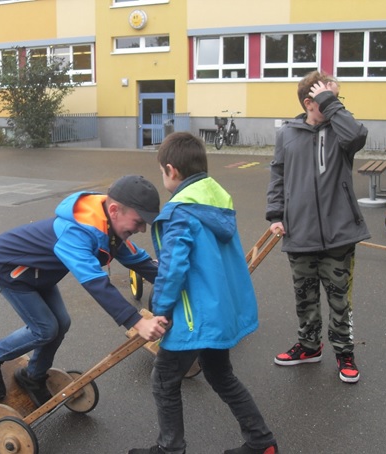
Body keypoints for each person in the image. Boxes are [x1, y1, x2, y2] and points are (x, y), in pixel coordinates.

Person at [130, 132, 278, 454]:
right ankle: (261, 441)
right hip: (216, 310)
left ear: (171, 170)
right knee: (220, 374)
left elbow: (172, 269)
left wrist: (161, 309)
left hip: (195, 316)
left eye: (161, 172)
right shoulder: (215, 200)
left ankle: (171, 448)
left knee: (164, 380)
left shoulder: (181, 212)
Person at [0, 175, 168, 407]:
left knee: (61, 323)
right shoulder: (77, 231)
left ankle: (32, 376)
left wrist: (174, 283)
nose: (142, 229)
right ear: (114, 210)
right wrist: (136, 322)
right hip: (10, 268)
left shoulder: (109, 226)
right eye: (139, 221)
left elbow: (139, 261)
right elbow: (95, 282)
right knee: (45, 329)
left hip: (40, 272)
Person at [265, 70, 370, 384]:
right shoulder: (287, 134)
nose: (336, 103)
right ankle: (309, 346)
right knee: (305, 296)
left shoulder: (341, 131)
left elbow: (357, 135)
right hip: (299, 233)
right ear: (309, 102)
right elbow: (278, 176)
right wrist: (275, 215)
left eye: (336, 98)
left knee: (339, 299)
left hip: (339, 234)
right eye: (328, 98)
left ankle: (344, 352)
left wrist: (332, 102)